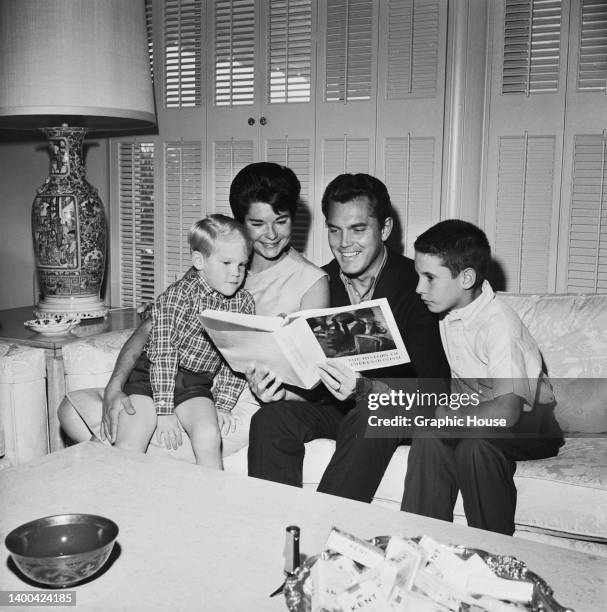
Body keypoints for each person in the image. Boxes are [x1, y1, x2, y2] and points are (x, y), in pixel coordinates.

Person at [58, 163, 328, 457]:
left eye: (281, 220)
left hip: (242, 405)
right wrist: (115, 385)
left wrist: (273, 389)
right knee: (70, 409)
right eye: (258, 224)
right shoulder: (218, 262)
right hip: (176, 388)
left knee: (143, 443)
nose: (272, 234)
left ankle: (134, 466)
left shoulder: (311, 283)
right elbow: (154, 328)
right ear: (239, 224)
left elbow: (314, 380)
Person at [246, 173, 451, 499]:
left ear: (384, 229)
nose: (344, 243)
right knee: (271, 418)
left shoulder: (416, 285)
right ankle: (279, 532)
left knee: (371, 411)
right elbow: (315, 382)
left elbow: (436, 388)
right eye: (334, 229)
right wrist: (277, 390)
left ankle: (322, 537)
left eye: (358, 229)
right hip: (342, 410)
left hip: (399, 409)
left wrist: (364, 389)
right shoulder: (321, 282)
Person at [398, 219, 563, 535]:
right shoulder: (446, 311)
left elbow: (507, 411)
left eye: (429, 278)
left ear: (466, 278)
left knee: (476, 446)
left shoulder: (498, 323)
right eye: (418, 276)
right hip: (479, 416)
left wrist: (451, 415)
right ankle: (417, 544)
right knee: (429, 436)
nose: (419, 288)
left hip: (530, 425)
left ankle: (494, 553)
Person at [97, 215, 254, 469]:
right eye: (226, 262)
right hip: (151, 376)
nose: (236, 273)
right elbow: (164, 353)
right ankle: (123, 501)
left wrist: (223, 404)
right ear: (199, 261)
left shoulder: (244, 303)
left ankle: (213, 500)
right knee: (130, 442)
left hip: (195, 383)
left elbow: (235, 357)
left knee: (209, 435)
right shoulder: (178, 295)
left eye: (243, 265)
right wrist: (164, 410)